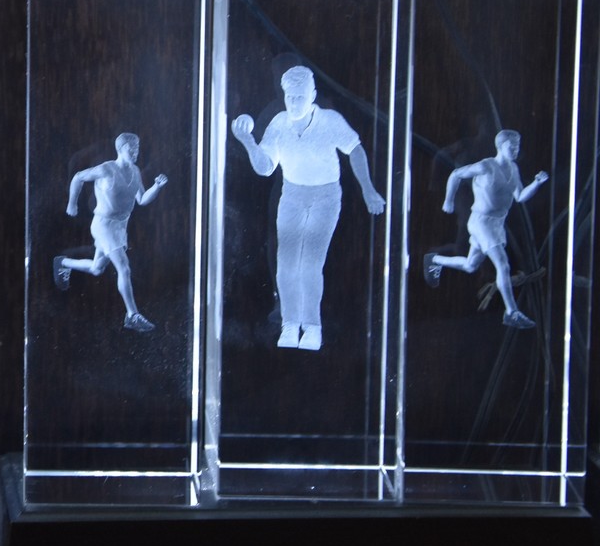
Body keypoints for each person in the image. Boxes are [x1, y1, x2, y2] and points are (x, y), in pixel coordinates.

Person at [231, 65, 385, 351]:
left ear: (312, 95)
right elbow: (265, 168)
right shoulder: (279, 123)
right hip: (291, 196)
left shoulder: (330, 121)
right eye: (290, 97)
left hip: (326, 198)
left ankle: (312, 328)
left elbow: (355, 150)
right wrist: (248, 141)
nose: (294, 103)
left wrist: (368, 190)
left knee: (311, 264)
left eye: (300, 97)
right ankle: (290, 324)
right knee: (287, 264)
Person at [423, 129, 547, 329]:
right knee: (503, 265)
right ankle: (511, 312)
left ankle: (434, 260)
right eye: (512, 146)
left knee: (471, 265)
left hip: (497, 224)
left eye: (518, 146)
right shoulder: (486, 166)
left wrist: (536, 183)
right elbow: (456, 174)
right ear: (500, 146)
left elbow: (520, 196)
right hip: (481, 223)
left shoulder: (513, 169)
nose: (516, 149)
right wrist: (449, 200)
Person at [53, 133, 168, 332]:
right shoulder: (107, 169)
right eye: (132, 148)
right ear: (121, 149)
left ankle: (63, 263)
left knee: (97, 268)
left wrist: (156, 187)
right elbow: (78, 177)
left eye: (137, 148)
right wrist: (72, 203)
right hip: (103, 226)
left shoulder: (135, 171)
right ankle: (132, 315)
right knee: (124, 268)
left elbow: (142, 200)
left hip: (120, 227)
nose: (136, 152)